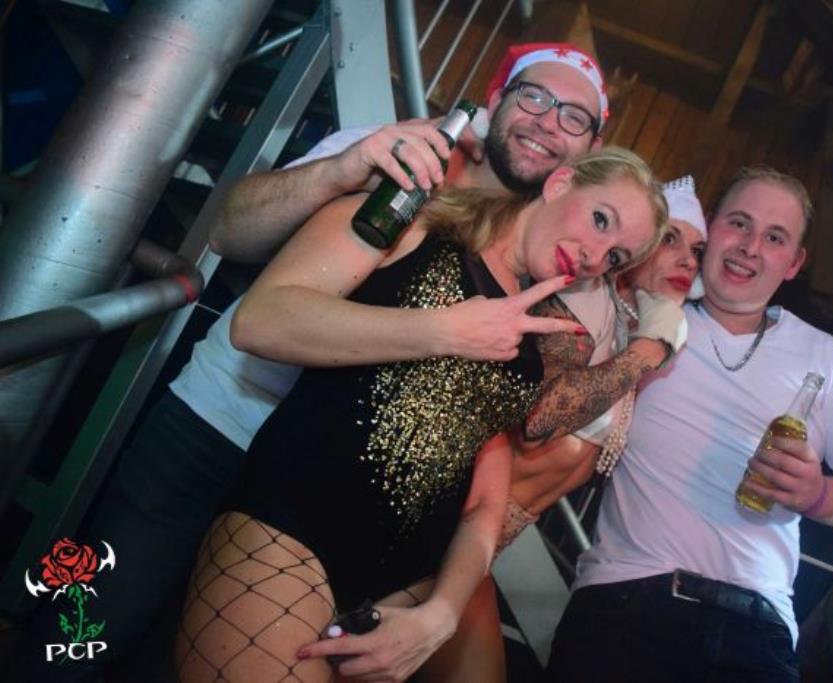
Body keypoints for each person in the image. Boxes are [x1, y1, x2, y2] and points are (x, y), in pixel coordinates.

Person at [8, 43, 615, 683]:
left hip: (324, 505)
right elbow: (229, 230)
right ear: (496, 100)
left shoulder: (548, 260)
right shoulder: (400, 153)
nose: (549, 122)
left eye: (574, 117)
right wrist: (341, 170)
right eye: (534, 96)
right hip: (217, 429)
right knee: (80, 637)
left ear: (586, 152)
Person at [174, 146, 668, 683]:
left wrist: (443, 614)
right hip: (293, 532)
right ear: (560, 183)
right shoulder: (417, 221)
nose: (596, 256)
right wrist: (448, 331)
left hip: (412, 583)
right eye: (600, 220)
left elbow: (485, 502)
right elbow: (260, 320)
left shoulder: (527, 331)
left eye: (616, 257)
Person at [544, 166, 833, 683]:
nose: (749, 248)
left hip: (756, 630)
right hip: (627, 602)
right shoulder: (642, 320)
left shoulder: (829, 359)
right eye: (739, 223)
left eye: (775, 238)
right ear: (710, 228)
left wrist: (817, 495)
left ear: (794, 263)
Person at [400, 175, 708, 683]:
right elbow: (539, 418)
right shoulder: (582, 302)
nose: (687, 260)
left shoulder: (628, 321)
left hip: (477, 547)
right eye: (669, 239)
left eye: (696, 250)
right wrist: (651, 349)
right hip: (442, 526)